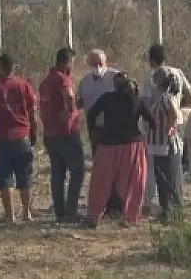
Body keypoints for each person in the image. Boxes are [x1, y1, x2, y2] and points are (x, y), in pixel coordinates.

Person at [83, 72, 154, 228]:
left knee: (101, 181)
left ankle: (94, 215)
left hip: (107, 144)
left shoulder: (107, 98)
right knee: (134, 181)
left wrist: (93, 131)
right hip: (133, 146)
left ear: (114, 85)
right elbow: (152, 121)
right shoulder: (136, 101)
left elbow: (91, 114)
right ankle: (131, 216)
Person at [0, 53, 39, 223]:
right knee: (25, 175)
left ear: (0, 66)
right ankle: (27, 213)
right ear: (14, 67)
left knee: (4, 177)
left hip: (0, 138)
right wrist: (34, 132)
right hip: (22, 136)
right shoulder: (23, 85)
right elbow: (33, 110)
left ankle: (10, 215)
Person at [141, 43, 191, 215]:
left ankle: (160, 205)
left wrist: (163, 118)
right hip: (176, 128)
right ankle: (176, 203)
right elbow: (190, 98)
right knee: (175, 166)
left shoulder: (152, 76)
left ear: (151, 59)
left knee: (159, 170)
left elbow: (146, 104)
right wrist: (177, 109)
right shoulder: (178, 72)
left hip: (159, 132)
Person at [39, 47, 85, 223]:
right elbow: (70, 97)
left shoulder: (45, 82)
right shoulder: (62, 79)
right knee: (77, 171)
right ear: (67, 62)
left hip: (50, 134)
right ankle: (71, 211)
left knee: (57, 174)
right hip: (66, 132)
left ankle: (60, 212)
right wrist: (71, 110)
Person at [75, 49, 123, 217]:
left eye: (100, 64)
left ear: (106, 62)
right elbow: (78, 103)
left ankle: (117, 205)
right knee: (102, 169)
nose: (97, 67)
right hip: (95, 130)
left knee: (117, 169)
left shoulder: (116, 77)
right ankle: (103, 204)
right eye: (94, 64)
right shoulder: (85, 82)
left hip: (115, 129)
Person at [146, 66, 183, 222]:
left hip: (164, 145)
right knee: (164, 178)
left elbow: (173, 114)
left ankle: (172, 212)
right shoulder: (161, 98)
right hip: (158, 145)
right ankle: (167, 211)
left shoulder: (165, 98)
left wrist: (169, 129)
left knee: (168, 179)